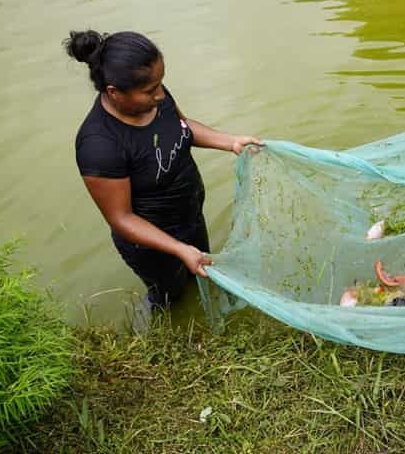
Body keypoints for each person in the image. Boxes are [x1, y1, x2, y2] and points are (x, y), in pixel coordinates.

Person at [66, 30, 262, 310]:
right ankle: (164, 328)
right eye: (149, 90)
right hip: (150, 245)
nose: (160, 94)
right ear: (113, 92)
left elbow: (182, 128)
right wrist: (179, 249)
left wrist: (230, 142)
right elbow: (121, 218)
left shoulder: (154, 97)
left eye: (160, 84)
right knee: (171, 297)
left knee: (202, 274)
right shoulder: (99, 144)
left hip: (190, 217)